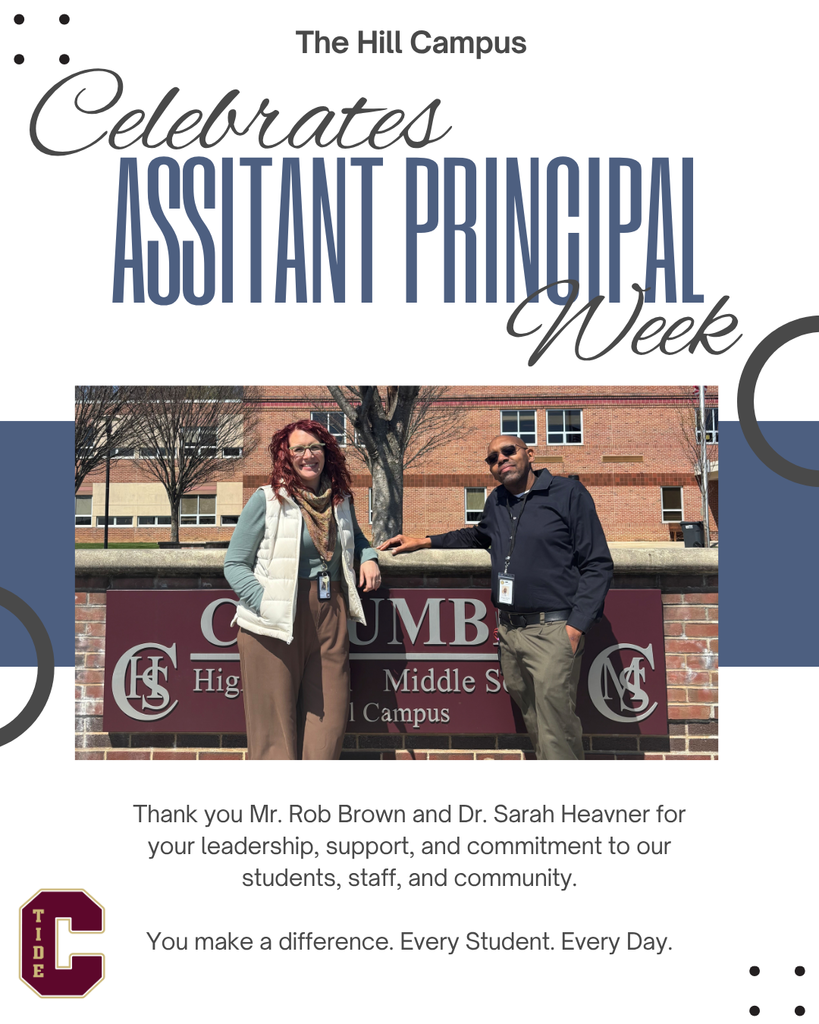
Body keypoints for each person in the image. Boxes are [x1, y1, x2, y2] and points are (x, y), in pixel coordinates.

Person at [379, 435, 613, 760]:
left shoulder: (568, 493)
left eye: (508, 451)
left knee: (556, 728)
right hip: (509, 632)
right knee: (534, 719)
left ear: (529, 454)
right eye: (492, 458)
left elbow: (597, 563)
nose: (500, 459)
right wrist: (424, 541)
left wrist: (575, 628)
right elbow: (478, 535)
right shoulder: (498, 500)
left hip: (553, 630)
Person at [224, 419, 381, 760]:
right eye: (298, 449)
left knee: (329, 724)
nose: (308, 455)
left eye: (315, 448)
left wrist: (368, 556)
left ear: (327, 452)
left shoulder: (340, 499)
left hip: (330, 612)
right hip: (273, 622)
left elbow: (355, 536)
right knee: (273, 736)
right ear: (286, 455)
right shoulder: (268, 499)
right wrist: (267, 604)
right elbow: (234, 564)